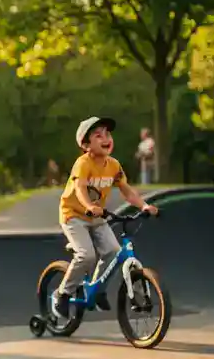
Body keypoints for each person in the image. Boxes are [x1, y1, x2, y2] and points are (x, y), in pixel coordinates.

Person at [51, 116, 158, 321]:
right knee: (87, 255)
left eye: (107, 134)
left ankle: (97, 289)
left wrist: (144, 205)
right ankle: (62, 294)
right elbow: (80, 189)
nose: (105, 138)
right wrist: (89, 206)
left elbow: (127, 191)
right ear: (86, 145)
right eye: (98, 136)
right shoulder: (83, 164)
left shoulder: (114, 166)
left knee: (113, 252)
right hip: (73, 215)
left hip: (96, 217)